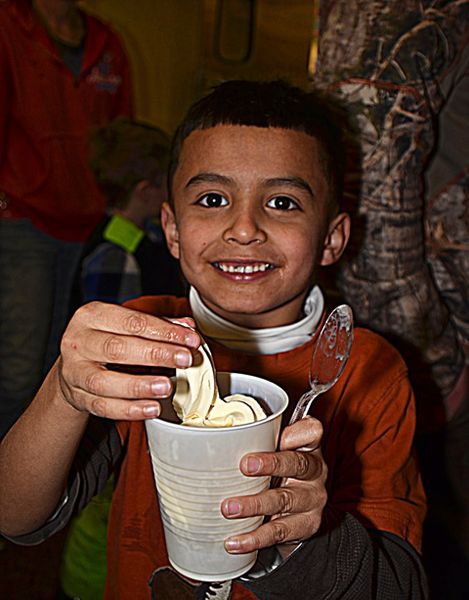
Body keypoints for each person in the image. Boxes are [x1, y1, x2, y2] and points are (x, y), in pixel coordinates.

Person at [0, 80, 428, 600]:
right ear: (173, 230)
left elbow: (400, 587)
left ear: (332, 238)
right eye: (212, 198)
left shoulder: (369, 372)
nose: (244, 227)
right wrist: (64, 393)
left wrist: (304, 543)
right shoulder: (140, 345)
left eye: (283, 202)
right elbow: (15, 515)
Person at [59, 116, 186, 600]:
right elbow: (116, 345)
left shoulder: (136, 236)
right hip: (113, 409)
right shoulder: (114, 254)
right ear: (144, 188)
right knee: (102, 505)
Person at [0, 0, 133, 439]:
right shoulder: (9, 25)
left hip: (87, 222)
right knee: (19, 369)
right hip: (22, 220)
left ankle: (46, 491)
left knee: (56, 365)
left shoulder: (106, 41)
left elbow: (121, 131)